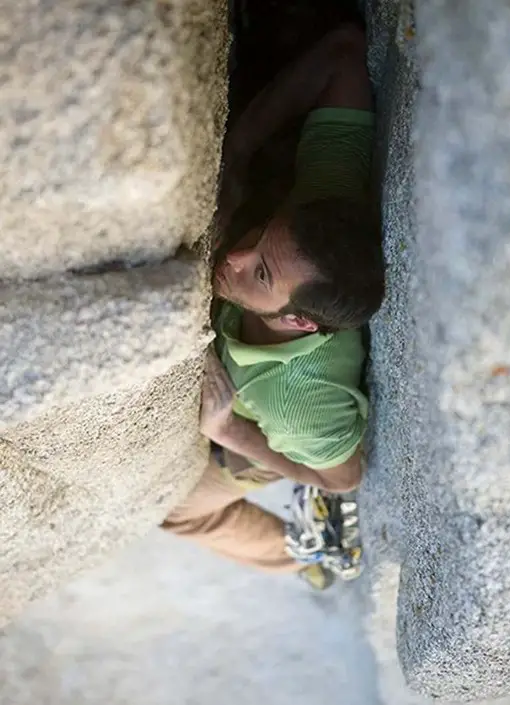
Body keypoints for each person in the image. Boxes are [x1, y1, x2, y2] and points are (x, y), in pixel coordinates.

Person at [162, 23, 384, 589]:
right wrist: (234, 151)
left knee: (178, 512)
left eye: (258, 272)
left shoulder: (300, 405)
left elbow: (343, 478)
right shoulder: (319, 211)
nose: (233, 256)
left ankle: (309, 551)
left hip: (266, 429)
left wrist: (231, 431)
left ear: (297, 321)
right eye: (261, 235)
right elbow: (343, 51)